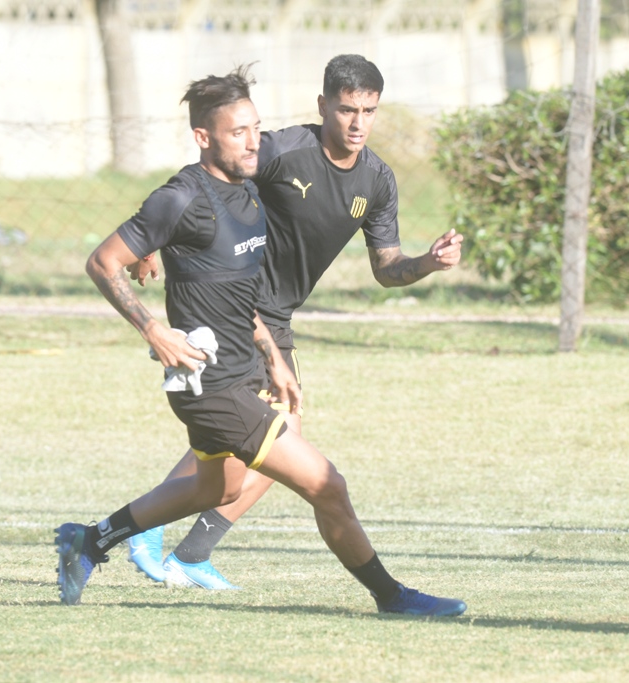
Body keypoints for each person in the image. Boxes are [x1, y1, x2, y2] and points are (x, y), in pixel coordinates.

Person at [54, 65, 467, 617]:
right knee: (326, 484)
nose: (253, 143)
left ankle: (93, 541)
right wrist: (154, 315)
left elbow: (249, 282)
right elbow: (115, 250)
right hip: (214, 373)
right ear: (323, 105)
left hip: (253, 341)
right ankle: (391, 597)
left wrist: (273, 351)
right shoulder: (215, 182)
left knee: (217, 489)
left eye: (256, 129)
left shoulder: (257, 201)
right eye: (347, 108)